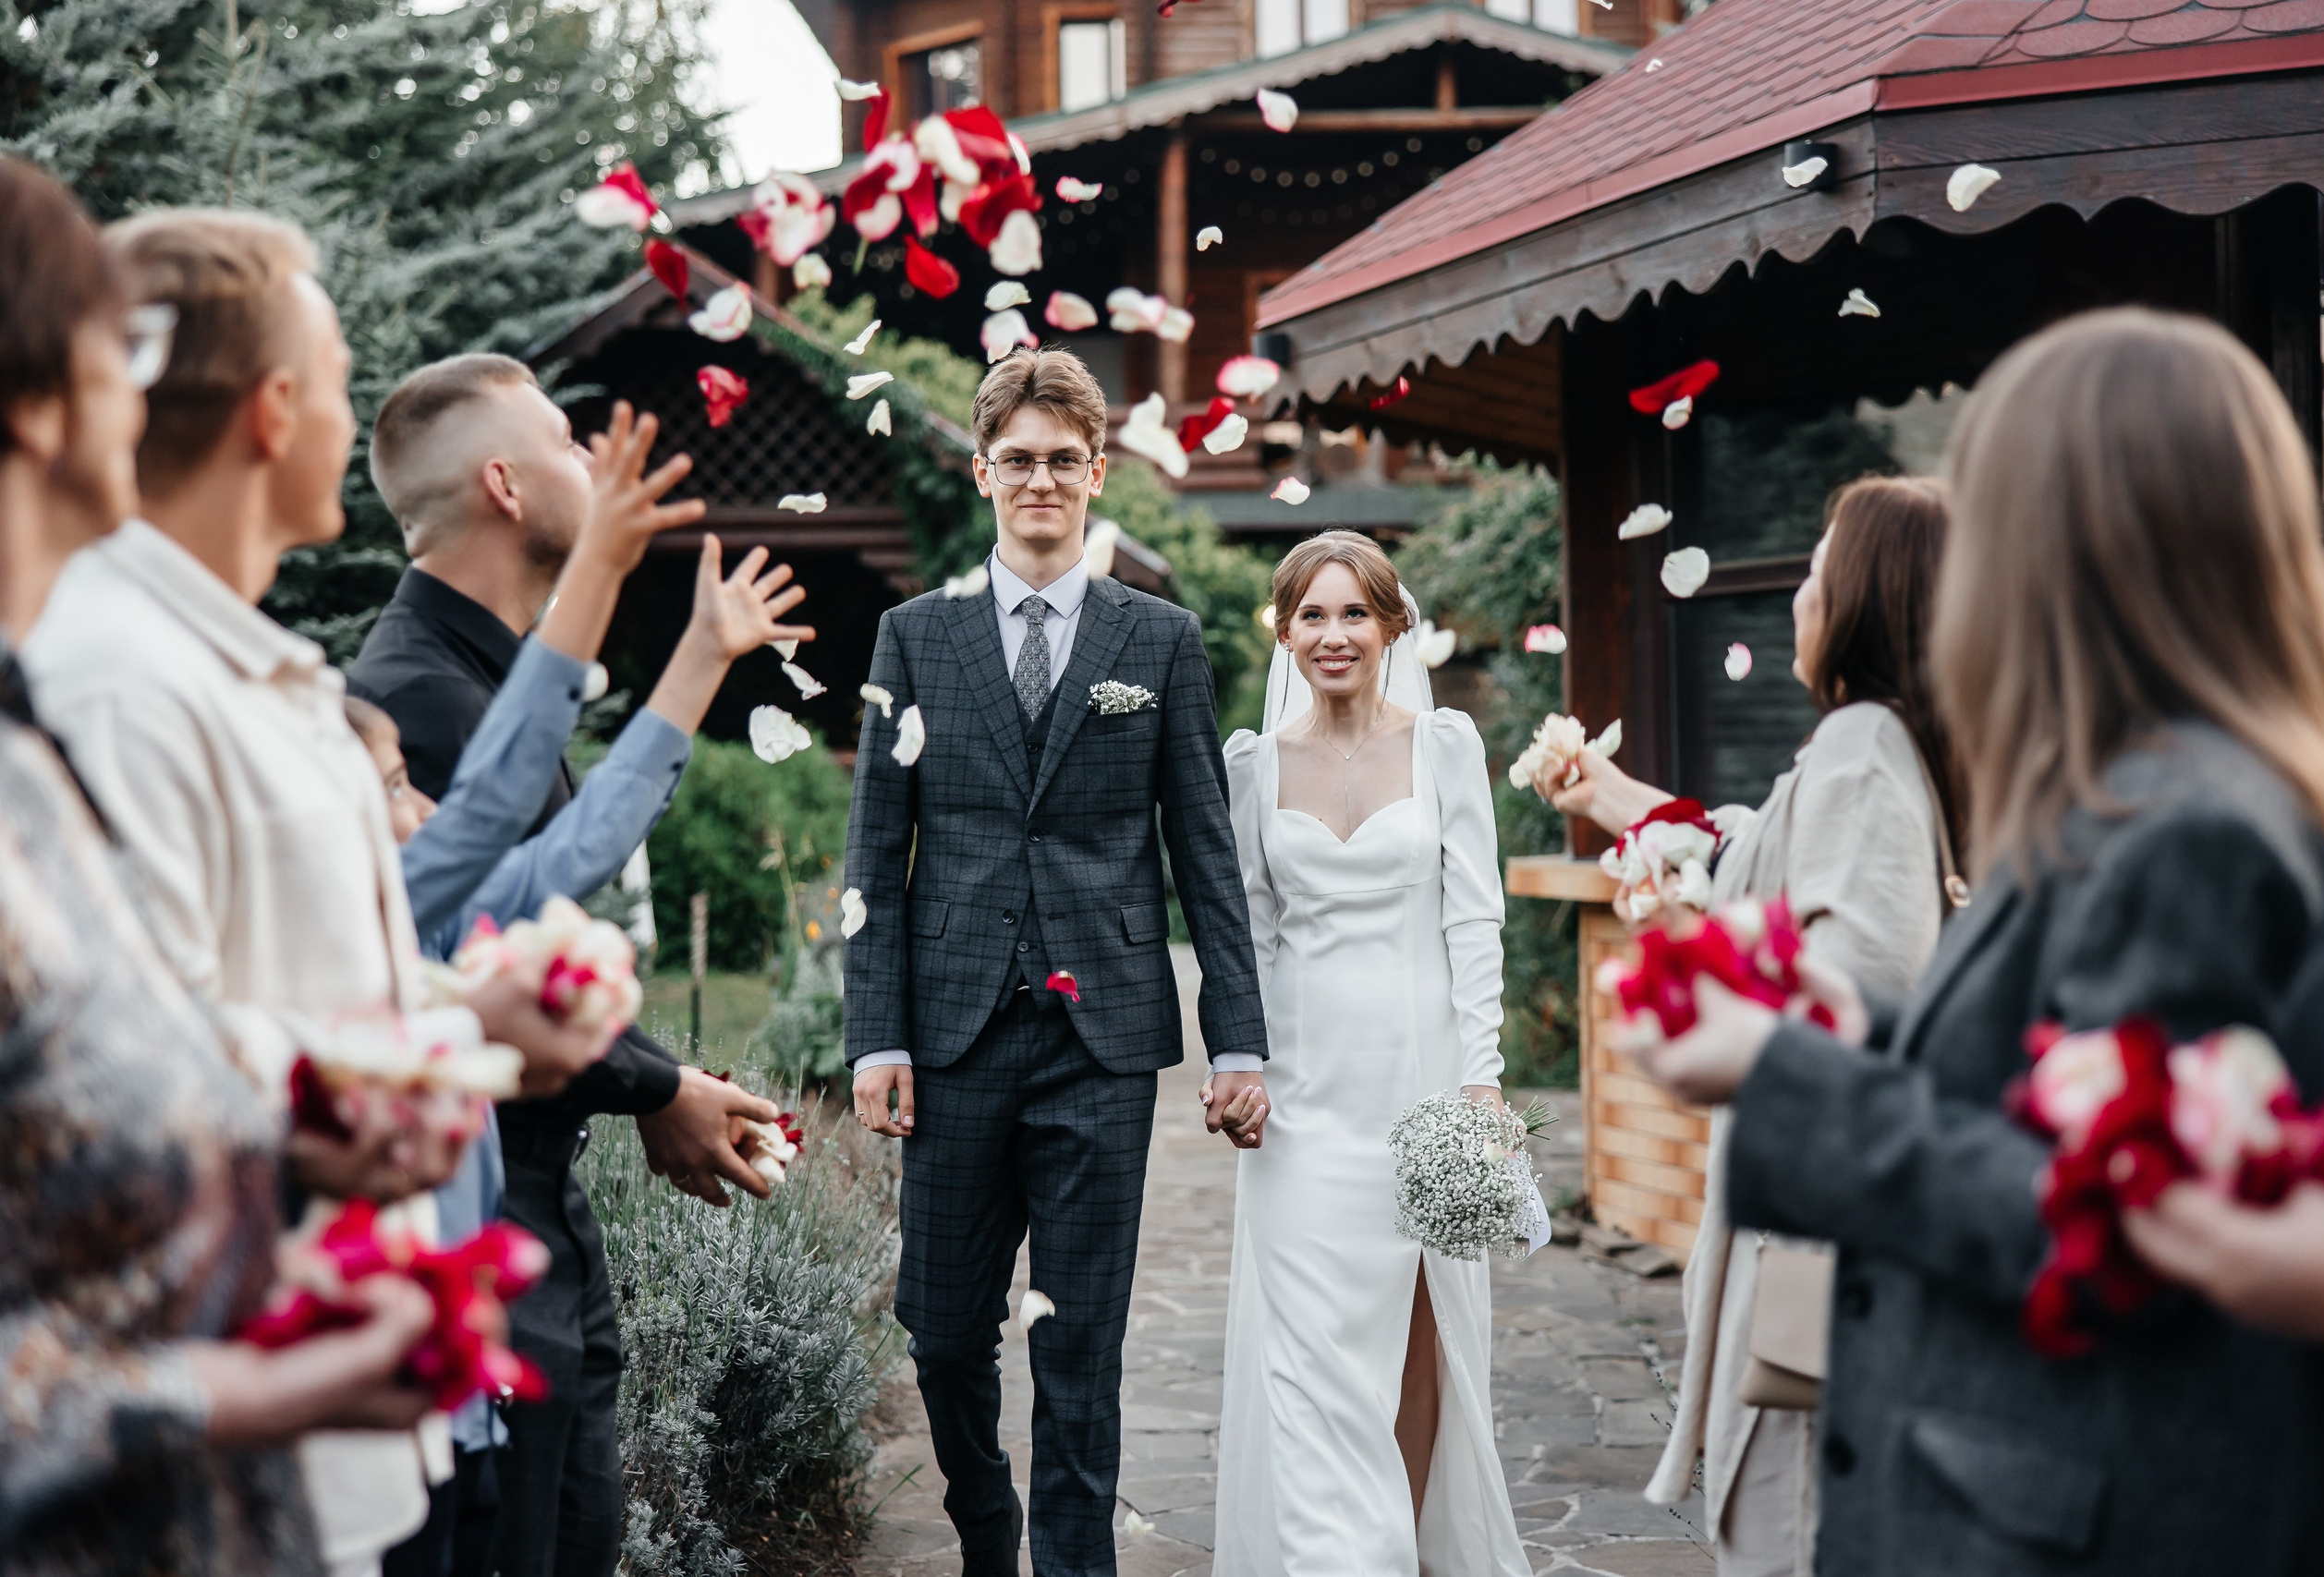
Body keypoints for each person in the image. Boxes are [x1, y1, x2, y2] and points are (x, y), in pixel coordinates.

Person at [1624, 308, 2324, 1576]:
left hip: (2053, 1512)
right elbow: (2065, 1075)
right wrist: (1863, 1026)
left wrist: (1782, 1071)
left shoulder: (2184, 828)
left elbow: (2119, 1212)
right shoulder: (2152, 787)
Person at [21, 207, 614, 1577]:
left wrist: (468, 1010)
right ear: (276, 410)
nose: (354, 421)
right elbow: (125, 1064)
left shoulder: (261, 666)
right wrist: (427, 1053)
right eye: (341, 380)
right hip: (211, 1440)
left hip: (346, 1425)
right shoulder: (117, 681)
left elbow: (307, 977)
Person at [0, 156, 431, 1576]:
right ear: (42, 400)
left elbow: (113, 1093)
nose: (146, 389)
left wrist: (327, 1124)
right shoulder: (98, 685)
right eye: (114, 347)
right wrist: (221, 1385)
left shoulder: (28, 734)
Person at [347, 353, 783, 1577]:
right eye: (562, 438)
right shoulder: (413, 694)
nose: (591, 457)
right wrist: (660, 1083)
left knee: (575, 1535)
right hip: (473, 1205)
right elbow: (507, 941)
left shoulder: (482, 666)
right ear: (502, 483)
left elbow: (565, 857)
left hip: (538, 1182)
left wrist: (701, 654)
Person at [842, 346, 1266, 1577]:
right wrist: (876, 1035)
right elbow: (873, 850)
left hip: (1104, 1037)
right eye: (1018, 459)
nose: (1041, 480)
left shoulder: (1161, 639)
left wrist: (1238, 1038)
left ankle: (1076, 1564)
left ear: (1096, 473)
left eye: (1062, 460)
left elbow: (1203, 853)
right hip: (952, 1032)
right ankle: (990, 1533)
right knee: (940, 1332)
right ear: (983, 472)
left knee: (1080, 1344)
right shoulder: (913, 637)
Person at [1550, 477, 1960, 1576]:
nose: (1797, 596)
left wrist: (1700, 976)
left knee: (1789, 1526)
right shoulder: (1888, 742)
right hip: (1815, 1213)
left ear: (1865, 597)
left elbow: (1859, 985)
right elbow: (1744, 857)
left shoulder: (1862, 746)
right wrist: (1611, 799)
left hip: (1813, 1234)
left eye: (1817, 571)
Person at [1209, 529, 1526, 1574]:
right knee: (1309, 1365)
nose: (1333, 634)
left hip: (1422, 1092)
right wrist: (1237, 1064)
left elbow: (1474, 919)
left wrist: (1480, 1080)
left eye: (1354, 613)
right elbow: (1248, 938)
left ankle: (1407, 1551)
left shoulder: (1445, 747)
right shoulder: (1252, 765)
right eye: (1312, 615)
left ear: (1393, 627)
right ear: (1285, 633)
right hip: (1300, 1105)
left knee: (1420, 1346)